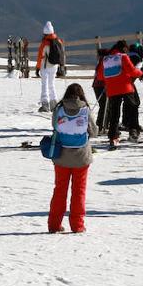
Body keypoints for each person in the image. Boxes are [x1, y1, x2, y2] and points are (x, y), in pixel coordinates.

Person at [47, 83, 97, 233]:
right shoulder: (85, 109)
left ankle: (54, 225)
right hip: (81, 157)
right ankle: (77, 225)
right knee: (79, 191)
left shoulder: (58, 108)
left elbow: (54, 126)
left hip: (61, 155)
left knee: (60, 190)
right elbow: (93, 132)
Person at [101, 40, 143, 146]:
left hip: (112, 89)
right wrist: (141, 72)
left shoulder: (105, 59)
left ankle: (113, 136)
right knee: (133, 108)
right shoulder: (123, 57)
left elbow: (100, 76)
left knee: (114, 113)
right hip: (125, 87)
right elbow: (132, 71)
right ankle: (134, 131)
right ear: (124, 48)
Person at [35, 22, 66, 112]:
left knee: (44, 85)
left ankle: (45, 105)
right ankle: (54, 104)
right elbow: (62, 54)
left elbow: (40, 56)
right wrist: (62, 66)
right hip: (55, 66)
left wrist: (37, 68)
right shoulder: (58, 41)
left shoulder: (44, 43)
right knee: (52, 84)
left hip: (45, 66)